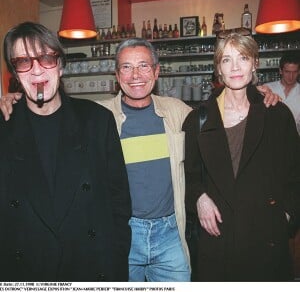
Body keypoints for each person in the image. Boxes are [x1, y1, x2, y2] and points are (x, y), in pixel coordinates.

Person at [0, 37, 280, 282]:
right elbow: (50, 119)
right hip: (124, 233)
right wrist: (16, 99)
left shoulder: (179, 112)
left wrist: (258, 92)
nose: (136, 75)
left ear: (157, 72)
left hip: (171, 233)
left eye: (144, 66)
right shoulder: (95, 119)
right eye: (126, 67)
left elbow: (218, 123)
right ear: (116, 75)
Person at [0, 21, 131, 282]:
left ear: (60, 66)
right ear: (15, 73)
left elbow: (120, 205)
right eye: (24, 62)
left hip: (90, 269)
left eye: (46, 58)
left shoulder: (97, 121)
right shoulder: (4, 127)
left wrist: (114, 265)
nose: (37, 70)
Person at [182, 32, 300, 281]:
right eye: (226, 60)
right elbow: (188, 175)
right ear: (218, 69)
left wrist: (286, 215)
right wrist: (200, 197)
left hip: (265, 237)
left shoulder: (277, 114)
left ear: (255, 63)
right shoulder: (198, 120)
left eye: (243, 58)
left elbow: (295, 172)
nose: (235, 67)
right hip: (218, 238)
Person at [264, 53, 300, 135]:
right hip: (270, 138)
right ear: (280, 71)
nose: (291, 76)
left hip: (294, 140)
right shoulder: (267, 89)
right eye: (287, 72)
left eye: (294, 72)